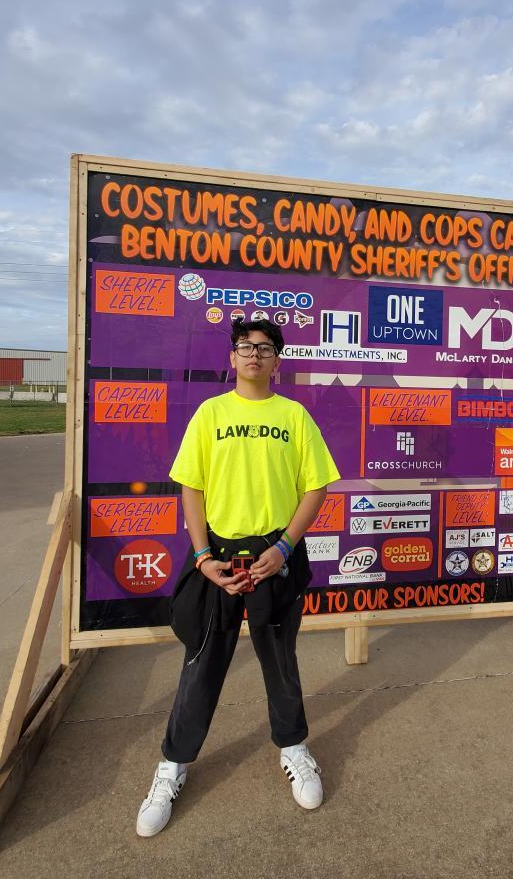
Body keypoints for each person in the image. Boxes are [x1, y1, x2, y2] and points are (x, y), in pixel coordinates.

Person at [135, 317, 340, 838]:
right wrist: (203, 557)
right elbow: (192, 487)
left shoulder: (294, 416)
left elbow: (316, 487)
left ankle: (293, 748)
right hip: (220, 560)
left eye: (265, 348)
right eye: (245, 347)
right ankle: (173, 765)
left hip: (275, 556)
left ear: (277, 360)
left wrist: (284, 546)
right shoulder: (210, 413)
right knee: (201, 665)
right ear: (232, 358)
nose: (254, 355)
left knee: (281, 660)